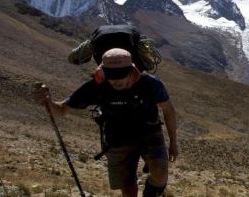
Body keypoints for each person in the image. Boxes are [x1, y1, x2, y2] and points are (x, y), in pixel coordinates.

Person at [34, 48, 178, 197]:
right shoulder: (96, 86)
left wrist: (173, 143)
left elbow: (168, 110)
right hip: (117, 136)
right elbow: (62, 109)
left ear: (132, 70)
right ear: (102, 72)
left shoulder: (150, 83)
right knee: (128, 189)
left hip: (149, 132)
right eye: (111, 75)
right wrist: (48, 102)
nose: (116, 81)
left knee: (160, 174)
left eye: (121, 75)